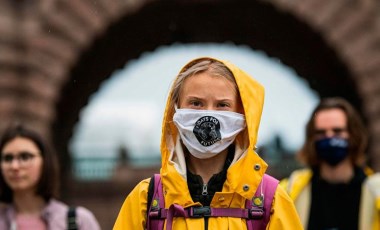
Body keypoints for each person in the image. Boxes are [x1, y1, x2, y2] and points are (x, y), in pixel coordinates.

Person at [113, 57, 302, 229]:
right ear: (175, 110)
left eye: (222, 105)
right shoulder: (145, 199)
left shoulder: (271, 200)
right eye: (196, 103)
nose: (208, 114)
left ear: (243, 115)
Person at [280, 97, 380, 230]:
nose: (329, 137)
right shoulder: (290, 191)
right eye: (321, 132)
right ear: (311, 138)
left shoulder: (376, 192)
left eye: (337, 131)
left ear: (353, 134)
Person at [0, 124, 101, 230]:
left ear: (45, 161)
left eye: (25, 157)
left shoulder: (78, 221)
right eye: (7, 158)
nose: (14, 166)